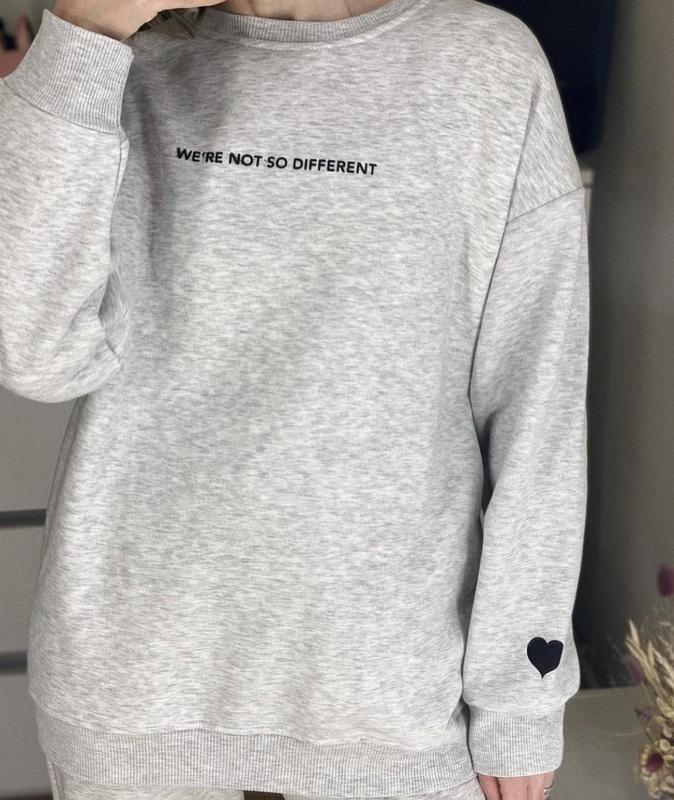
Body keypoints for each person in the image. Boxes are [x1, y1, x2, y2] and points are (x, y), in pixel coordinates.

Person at [0, 0, 589, 799]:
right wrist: (82, 33)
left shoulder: (487, 68)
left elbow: (536, 408)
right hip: (132, 692)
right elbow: (37, 357)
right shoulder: (110, 59)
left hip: (392, 706)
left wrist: (522, 696)